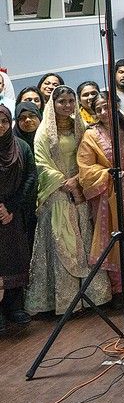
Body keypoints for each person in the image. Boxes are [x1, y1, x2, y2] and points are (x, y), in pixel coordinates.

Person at [25, 86, 111, 315]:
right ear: (52, 104)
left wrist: (78, 180)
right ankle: (65, 302)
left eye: (71, 101)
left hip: (80, 190)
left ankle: (92, 297)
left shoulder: (80, 127)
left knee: (84, 240)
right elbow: (41, 164)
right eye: (61, 101)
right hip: (56, 194)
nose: (67, 105)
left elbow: (88, 157)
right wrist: (64, 183)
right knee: (61, 244)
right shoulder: (44, 132)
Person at [77, 92, 124, 298]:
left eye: (107, 106)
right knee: (112, 242)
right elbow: (85, 168)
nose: (103, 112)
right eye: (98, 109)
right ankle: (119, 291)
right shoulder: (91, 136)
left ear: (116, 106)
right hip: (106, 196)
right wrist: (108, 174)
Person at [0, 104, 37, 328]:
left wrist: (11, 207)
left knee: (15, 257)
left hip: (13, 215)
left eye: (4, 121)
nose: (0, 126)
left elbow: (30, 177)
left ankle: (14, 307)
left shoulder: (21, 146)